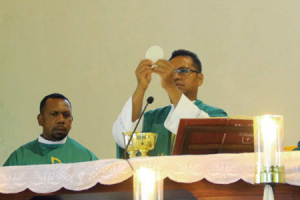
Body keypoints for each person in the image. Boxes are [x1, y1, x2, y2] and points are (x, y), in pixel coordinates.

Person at [113, 49, 227, 157]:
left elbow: (207, 139)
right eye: (172, 72)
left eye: (183, 71)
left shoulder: (216, 116)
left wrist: (170, 86)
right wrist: (141, 87)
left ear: (200, 79)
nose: (176, 77)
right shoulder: (152, 119)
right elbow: (126, 137)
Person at [3, 93, 97, 166]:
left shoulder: (86, 158)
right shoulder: (20, 158)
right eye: (54, 114)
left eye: (66, 115)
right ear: (41, 120)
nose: (61, 120)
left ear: (71, 121)